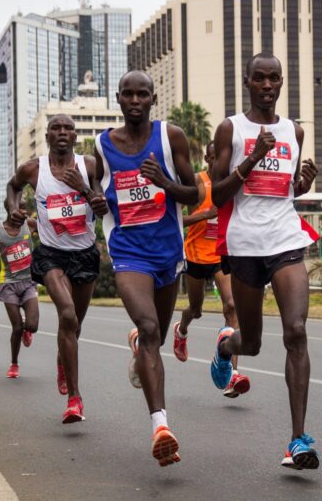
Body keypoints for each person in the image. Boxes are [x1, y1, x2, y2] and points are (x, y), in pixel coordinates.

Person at [210, 52, 320, 470]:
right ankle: (226, 346)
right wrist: (252, 157)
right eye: (260, 79)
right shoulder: (230, 129)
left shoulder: (294, 130)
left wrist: (302, 186)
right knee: (251, 344)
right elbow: (218, 195)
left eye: (274, 78)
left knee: (296, 332)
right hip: (244, 245)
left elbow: (287, 190)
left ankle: (298, 440)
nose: (268, 86)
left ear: (281, 82)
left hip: (284, 237)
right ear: (247, 82)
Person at [94, 70, 197, 466]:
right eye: (128, 94)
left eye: (143, 94)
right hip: (128, 252)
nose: (135, 100)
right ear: (118, 99)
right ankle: (161, 426)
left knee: (152, 334)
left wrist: (165, 183)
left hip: (168, 253)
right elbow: (94, 190)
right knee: (152, 329)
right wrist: (95, 202)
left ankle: (139, 346)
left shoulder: (171, 138)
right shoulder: (104, 145)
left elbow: (195, 195)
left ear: (154, 99)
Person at [6, 113, 107, 423]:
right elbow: (12, 188)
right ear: (47, 136)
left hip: (85, 253)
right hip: (51, 255)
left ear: (75, 137)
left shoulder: (89, 166)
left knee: (74, 325)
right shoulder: (33, 170)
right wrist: (14, 209)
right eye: (56, 128)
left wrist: (86, 190)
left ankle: (63, 361)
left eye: (69, 129)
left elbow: (104, 206)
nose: (63, 132)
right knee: (67, 315)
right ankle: (75, 400)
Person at [175, 141, 250, 398]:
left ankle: (231, 374)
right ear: (207, 158)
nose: (219, 162)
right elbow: (175, 220)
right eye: (214, 157)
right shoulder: (197, 181)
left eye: (224, 157)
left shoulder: (233, 182)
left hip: (222, 254)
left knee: (231, 306)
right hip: (196, 255)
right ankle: (181, 329)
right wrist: (202, 215)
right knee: (195, 310)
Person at [0, 201, 40, 379]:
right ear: (9, 210)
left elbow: (48, 236)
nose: (23, 212)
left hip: (28, 281)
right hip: (8, 283)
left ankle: (27, 330)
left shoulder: (30, 224)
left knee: (32, 326)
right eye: (19, 208)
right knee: (16, 327)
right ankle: (14, 363)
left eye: (25, 208)